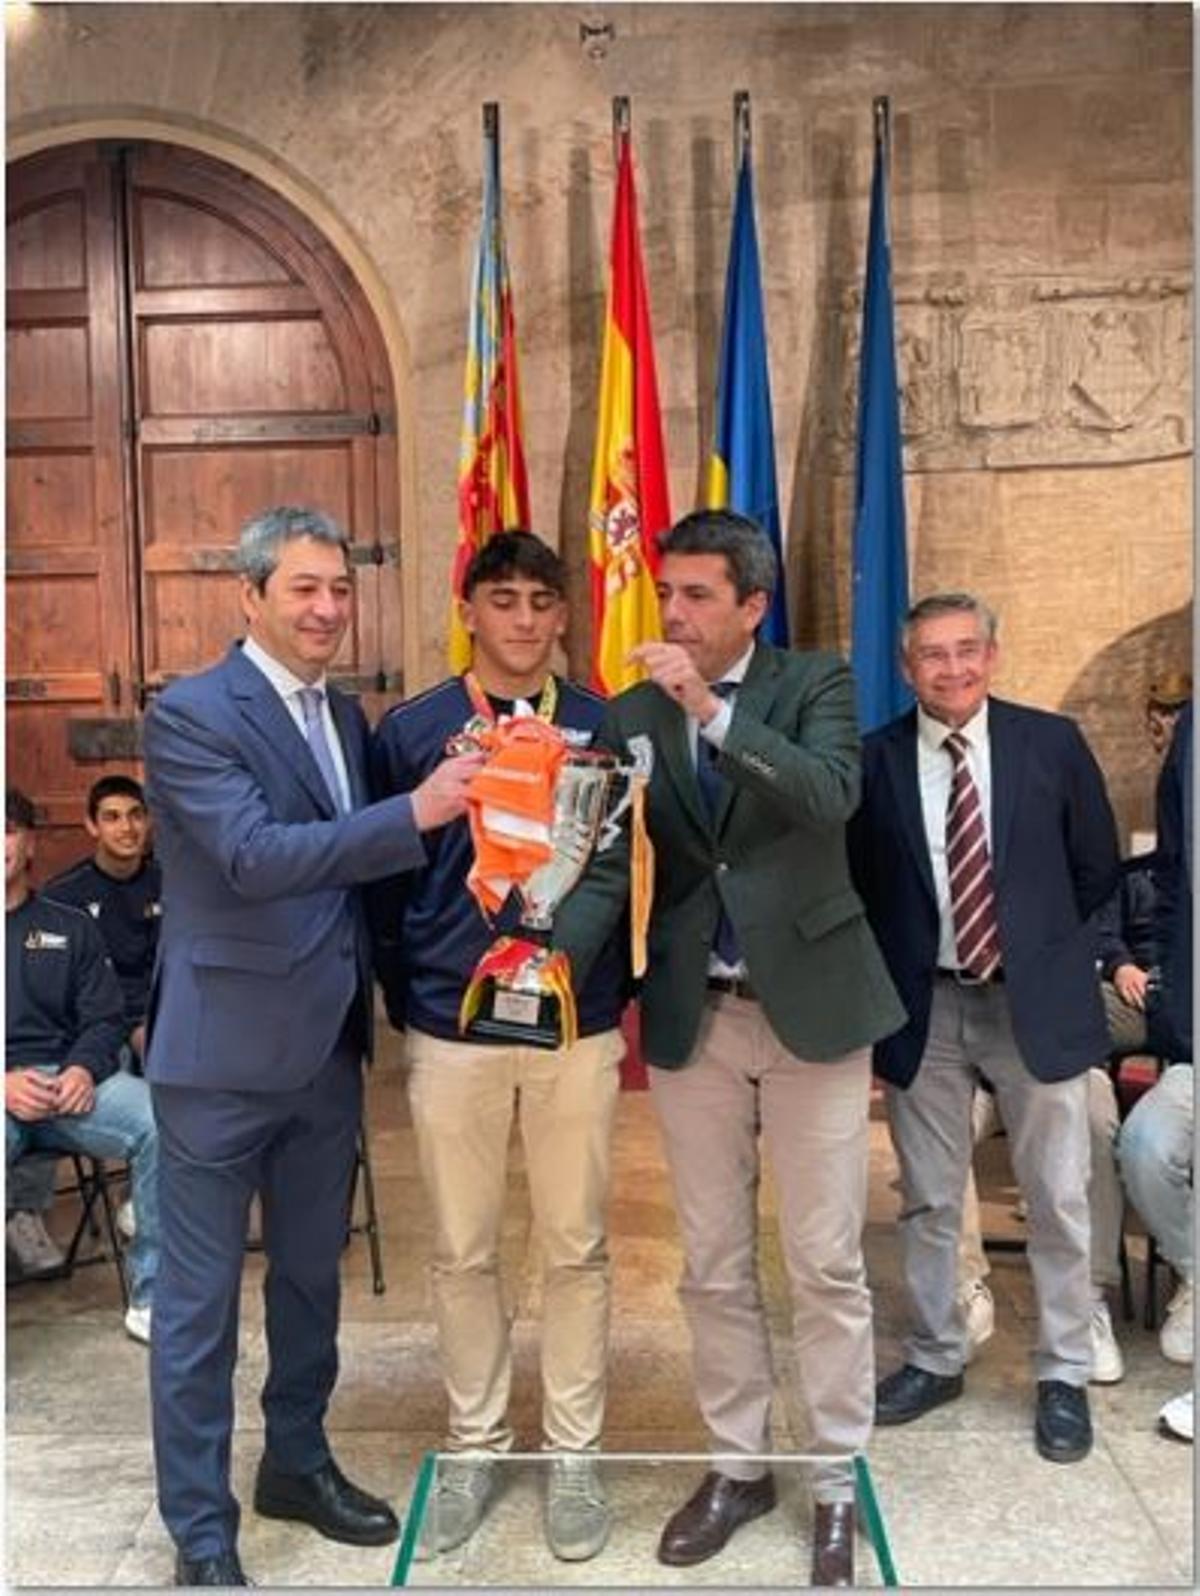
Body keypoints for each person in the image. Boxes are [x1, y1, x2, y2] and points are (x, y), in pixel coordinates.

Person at [554, 509, 905, 1588]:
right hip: (692, 1016)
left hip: (814, 1010)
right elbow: (602, 856)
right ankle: (738, 1465)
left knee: (826, 1260)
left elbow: (827, 795)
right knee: (711, 1265)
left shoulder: (819, 686)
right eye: (668, 595)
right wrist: (545, 960)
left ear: (753, 604)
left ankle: (837, 1478)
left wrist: (708, 712)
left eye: (699, 596)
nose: (676, 614)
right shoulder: (625, 712)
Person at [141, 505, 483, 1588]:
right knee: (198, 1311)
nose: (329, 607)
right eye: (304, 588)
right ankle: (202, 1532)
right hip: (218, 1062)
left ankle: (296, 1461)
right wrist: (419, 812)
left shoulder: (344, 718)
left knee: (307, 1288)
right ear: (250, 597)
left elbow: (359, 868)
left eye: (340, 587)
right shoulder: (190, 714)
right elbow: (250, 855)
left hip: (327, 1052)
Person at [369, 531, 628, 1563]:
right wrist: (417, 994)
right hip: (453, 1026)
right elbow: (386, 884)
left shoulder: (608, 726)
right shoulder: (415, 728)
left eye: (540, 602)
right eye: (503, 600)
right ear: (468, 609)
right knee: (463, 1249)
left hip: (573, 1023)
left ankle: (575, 1454)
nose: (523, 621)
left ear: (564, 616)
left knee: (577, 1247)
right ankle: (474, 1444)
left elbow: (631, 874)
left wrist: (599, 981)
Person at [848, 592, 1120, 1467]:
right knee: (929, 1197)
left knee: (1058, 1197)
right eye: (933, 654)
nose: (952, 668)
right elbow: (864, 889)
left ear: (993, 656)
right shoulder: (876, 761)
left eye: (967, 651)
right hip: (926, 1008)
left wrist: (1041, 956)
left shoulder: (1053, 744)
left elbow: (1095, 871)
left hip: (1029, 1005)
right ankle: (936, 1356)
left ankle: (1064, 1374)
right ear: (906, 668)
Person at [5, 786, 160, 1343]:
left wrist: (79, 1069)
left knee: (159, 1121)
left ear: (28, 844)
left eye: (8, 829)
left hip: (66, 1083)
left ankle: (152, 1296)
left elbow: (104, 1017)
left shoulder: (70, 925)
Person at [1119, 700, 1193, 1443]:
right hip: (1193, 1050)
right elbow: (1172, 882)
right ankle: (1195, 1274)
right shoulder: (1193, 734)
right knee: (1144, 1147)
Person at [45, 774, 162, 1065]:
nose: (127, 828)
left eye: (136, 815)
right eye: (112, 817)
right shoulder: (63, 896)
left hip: (162, 1013)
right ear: (92, 826)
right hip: (95, 1020)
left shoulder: (171, 884)